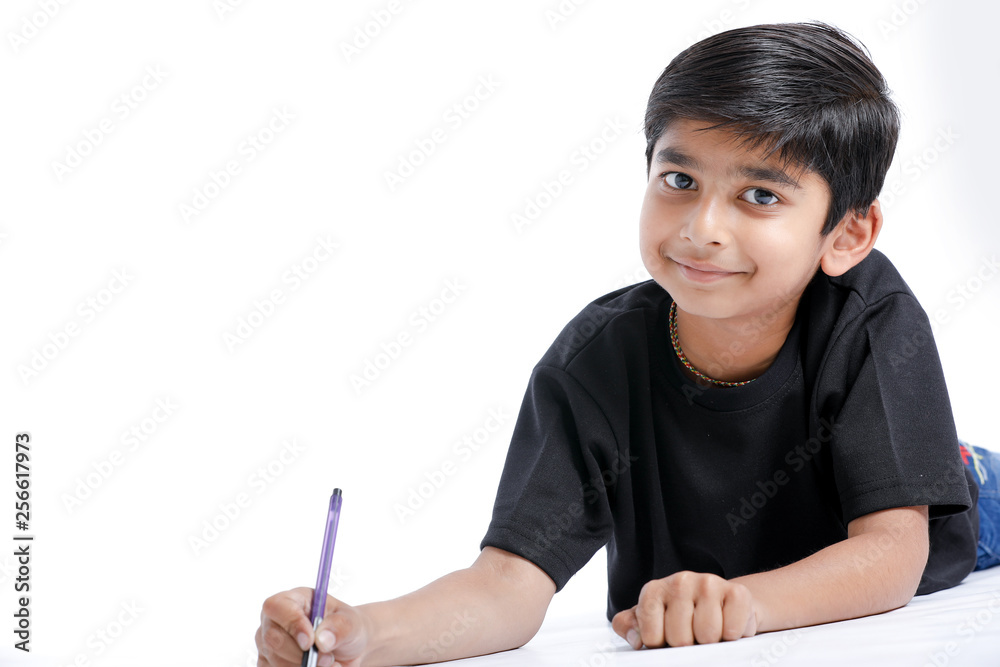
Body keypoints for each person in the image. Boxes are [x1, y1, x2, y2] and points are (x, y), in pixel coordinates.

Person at [255, 22, 1000, 666]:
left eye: (761, 195)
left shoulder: (871, 318)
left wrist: (740, 603)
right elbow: (507, 585)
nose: (702, 226)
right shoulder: (594, 362)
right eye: (679, 177)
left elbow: (894, 555)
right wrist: (362, 633)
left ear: (846, 235)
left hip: (963, 490)